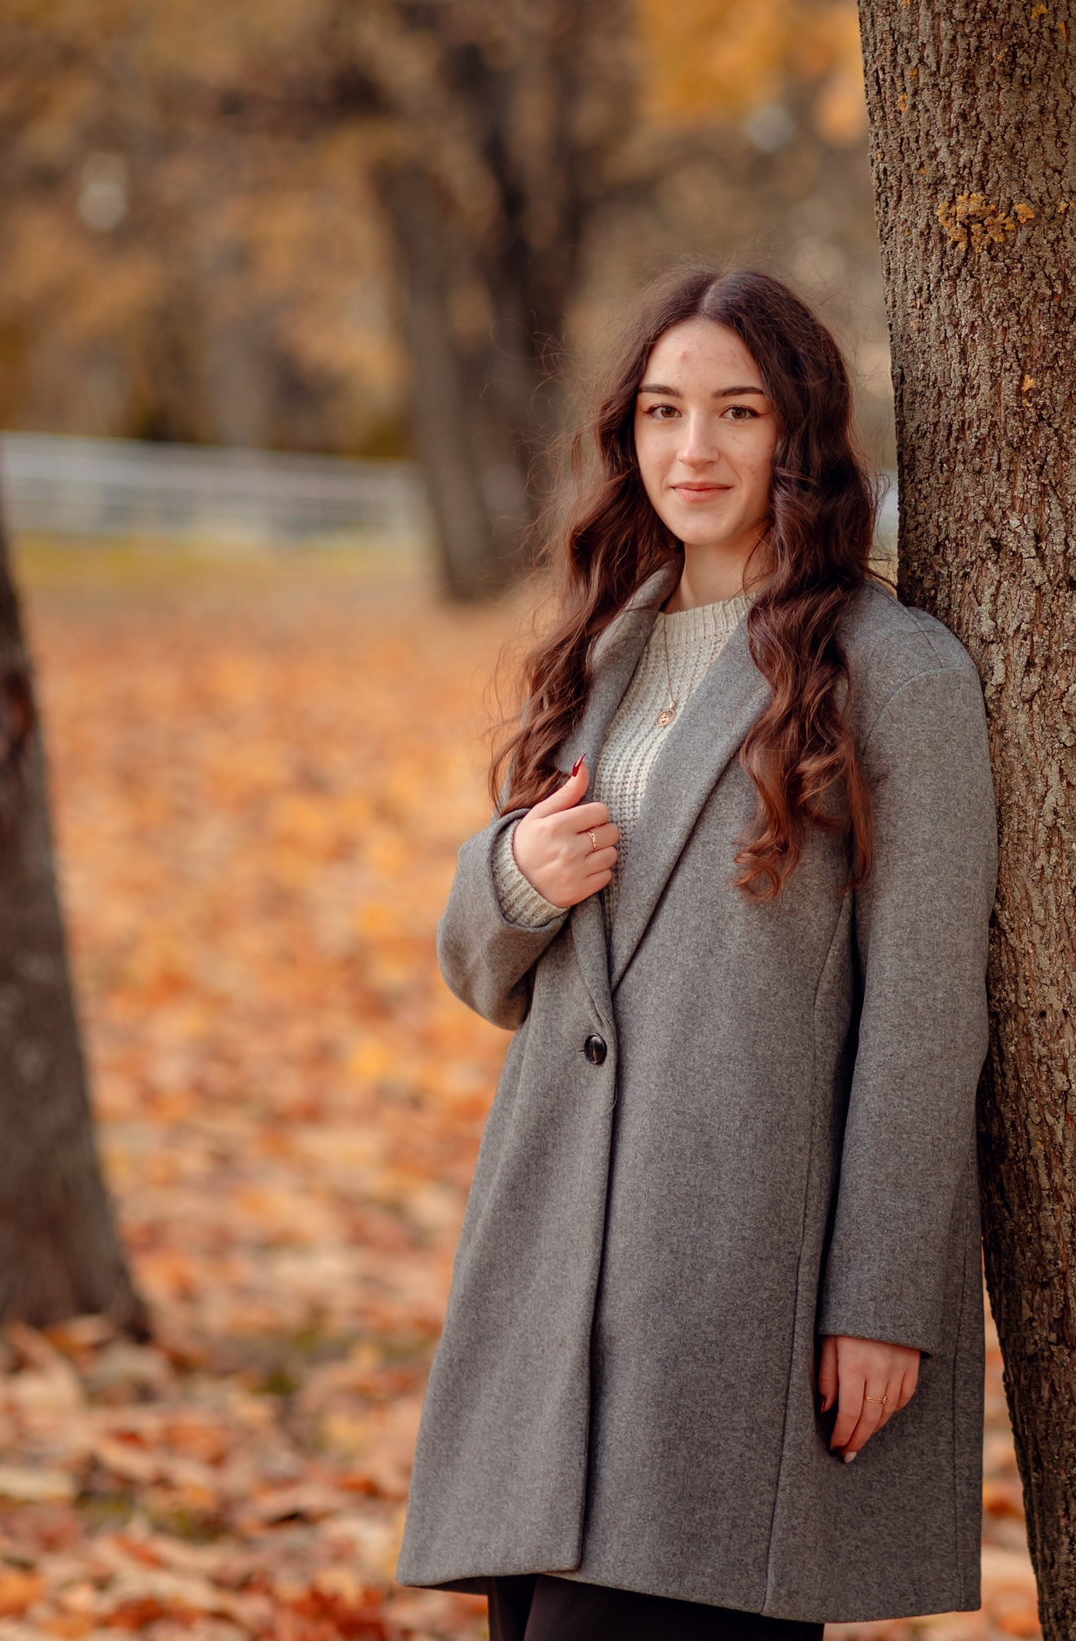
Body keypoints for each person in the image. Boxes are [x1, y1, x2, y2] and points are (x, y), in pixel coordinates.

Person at [396, 269, 998, 1640]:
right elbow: (486, 967)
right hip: (551, 1272)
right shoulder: (601, 650)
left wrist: (885, 1298)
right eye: (665, 411)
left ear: (803, 436)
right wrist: (512, 878)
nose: (696, 449)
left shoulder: (893, 669)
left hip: (735, 1283)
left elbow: (923, 1010)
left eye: (739, 412)